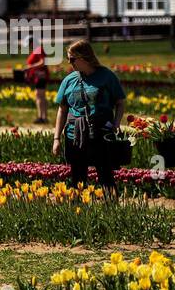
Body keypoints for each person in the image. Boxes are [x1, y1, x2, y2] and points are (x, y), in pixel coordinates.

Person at [52, 40, 126, 194]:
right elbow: (62, 110)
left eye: (72, 59)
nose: (69, 62)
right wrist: (57, 139)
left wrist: (116, 123)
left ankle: (112, 208)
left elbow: (120, 102)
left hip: (102, 134)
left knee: (105, 174)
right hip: (75, 135)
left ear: (84, 57)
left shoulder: (107, 76)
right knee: (77, 177)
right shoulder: (69, 80)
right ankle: (77, 209)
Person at [24, 34, 50, 124]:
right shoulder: (36, 50)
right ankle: (42, 116)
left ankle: (42, 117)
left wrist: (30, 67)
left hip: (41, 76)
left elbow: (43, 62)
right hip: (38, 76)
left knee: (40, 96)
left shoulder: (39, 49)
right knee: (40, 96)